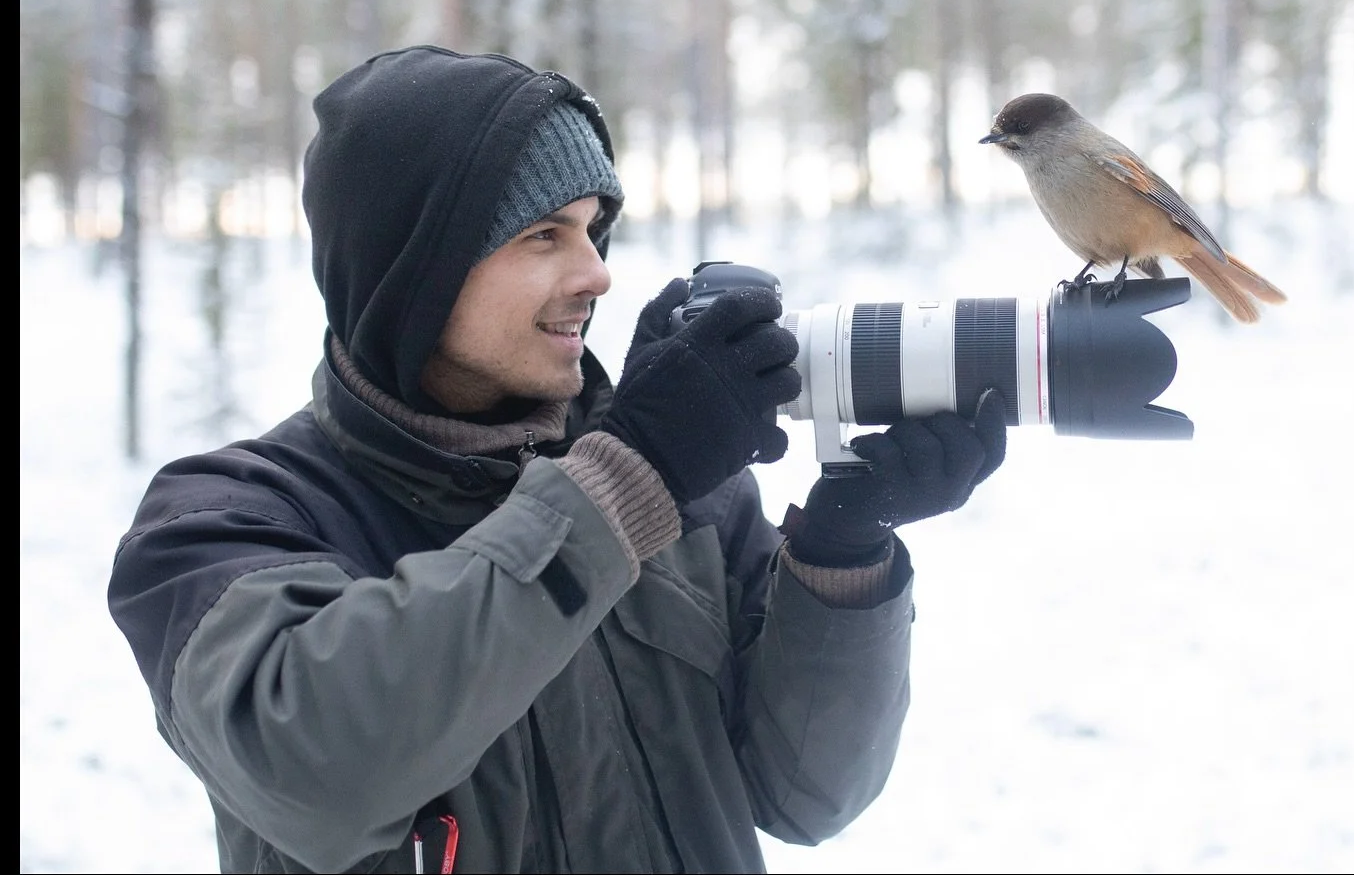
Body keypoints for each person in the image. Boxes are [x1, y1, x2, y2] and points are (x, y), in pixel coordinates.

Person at [107, 44, 1007, 874]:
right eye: (544, 234)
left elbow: (806, 796)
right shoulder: (223, 518)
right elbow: (318, 768)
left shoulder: (674, 486)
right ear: (410, 270)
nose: (597, 272)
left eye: (593, 228)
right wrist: (631, 473)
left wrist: (838, 560)